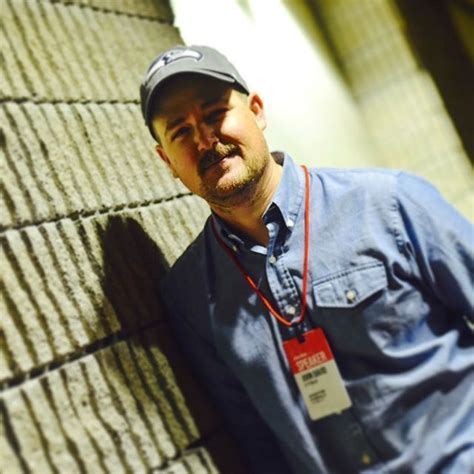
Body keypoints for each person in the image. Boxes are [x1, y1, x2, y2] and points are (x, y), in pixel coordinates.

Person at [140, 45, 474, 473]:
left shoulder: (389, 202)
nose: (205, 139)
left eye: (214, 113)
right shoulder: (188, 296)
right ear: (167, 160)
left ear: (257, 110)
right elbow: (256, 444)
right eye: (181, 131)